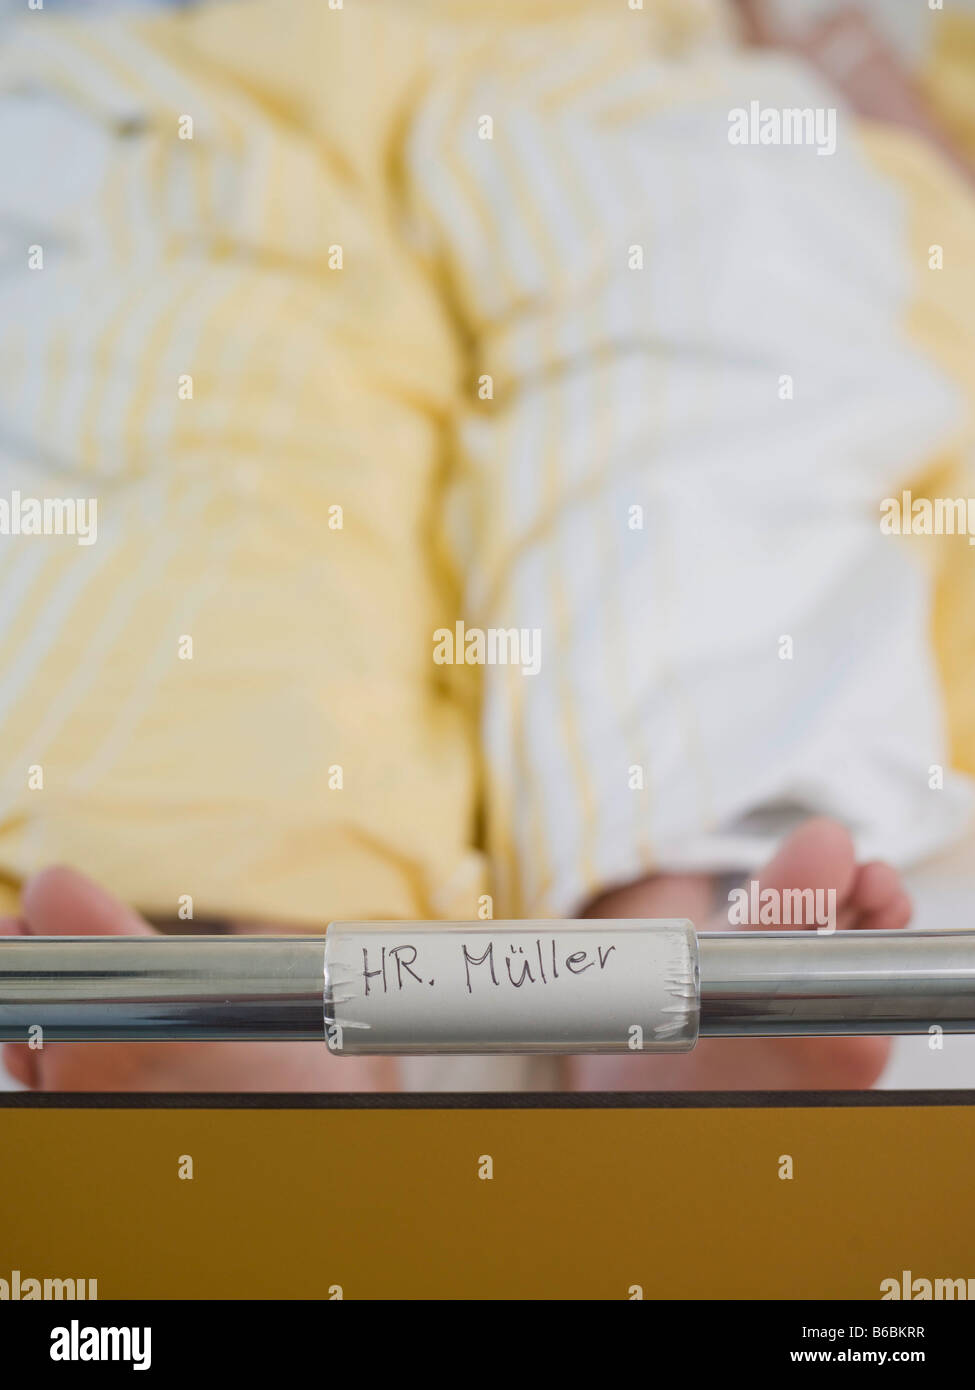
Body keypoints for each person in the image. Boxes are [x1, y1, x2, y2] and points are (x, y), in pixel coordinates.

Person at [1, 0, 973, 1092]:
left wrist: (856, 76)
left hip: (617, 80)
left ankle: (681, 960)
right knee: (212, 394)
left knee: (707, 363)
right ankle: (242, 990)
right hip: (227, 69)